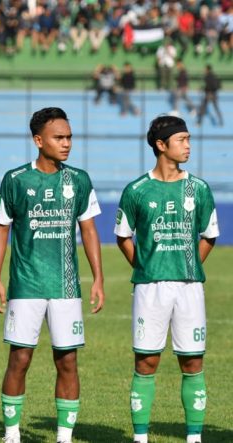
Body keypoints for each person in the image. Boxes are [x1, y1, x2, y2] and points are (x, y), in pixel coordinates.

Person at [0, 107, 105, 443]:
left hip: (66, 286)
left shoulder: (79, 180)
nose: (66, 143)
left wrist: (97, 277)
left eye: (69, 136)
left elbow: (89, 231)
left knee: (67, 360)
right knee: (20, 358)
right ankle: (12, 433)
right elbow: (1, 231)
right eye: (59, 137)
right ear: (39, 141)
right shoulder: (15, 179)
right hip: (25, 285)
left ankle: (64, 437)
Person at [114, 115, 218, 443]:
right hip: (150, 288)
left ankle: (194, 438)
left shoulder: (198, 188)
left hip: (189, 287)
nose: (188, 145)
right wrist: (145, 268)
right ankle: (140, 437)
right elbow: (123, 236)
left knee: (192, 360)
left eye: (188, 139)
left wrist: (185, 265)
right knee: (146, 360)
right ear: (161, 145)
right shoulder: (137, 190)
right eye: (181, 139)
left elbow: (209, 235)